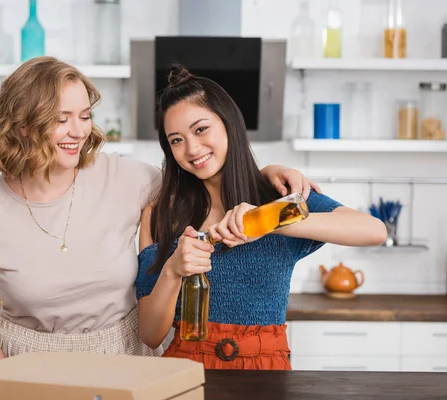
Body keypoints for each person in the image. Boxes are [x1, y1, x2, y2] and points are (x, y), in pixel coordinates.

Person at [0, 56, 322, 366]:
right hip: (25, 362)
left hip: (128, 355)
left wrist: (267, 172)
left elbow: (203, 176)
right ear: (23, 126)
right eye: (61, 118)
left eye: (83, 115)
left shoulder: (129, 178)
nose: (79, 131)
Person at [135, 64, 387, 370]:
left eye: (201, 129)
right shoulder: (161, 213)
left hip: (266, 372)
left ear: (229, 124)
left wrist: (269, 220)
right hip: (185, 371)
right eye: (176, 140)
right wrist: (174, 269)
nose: (191, 148)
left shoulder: (278, 197)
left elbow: (374, 230)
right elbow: (150, 335)